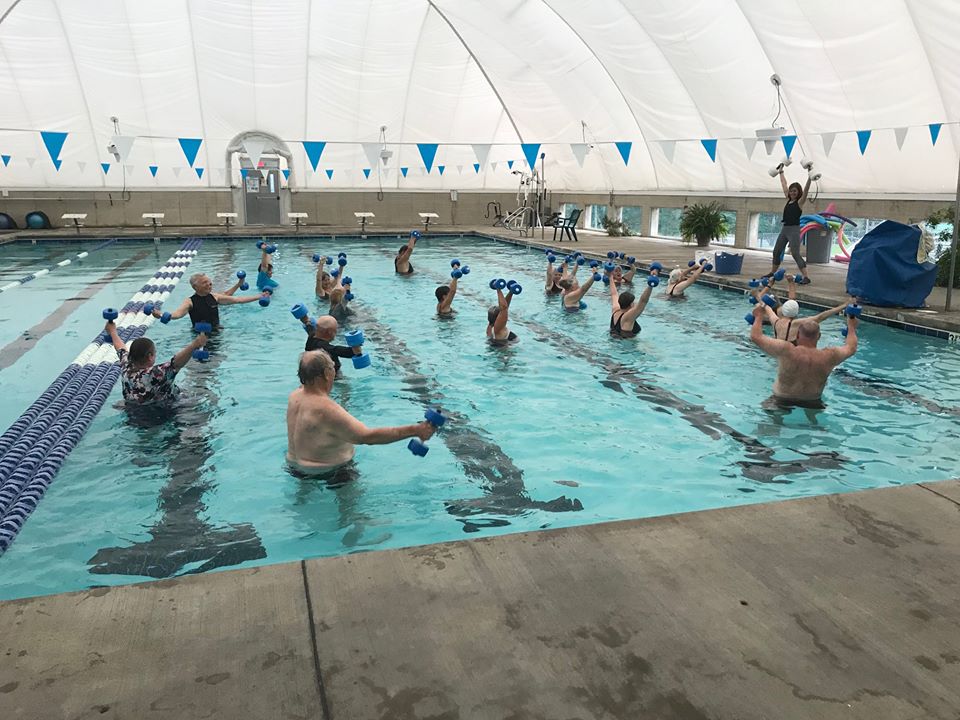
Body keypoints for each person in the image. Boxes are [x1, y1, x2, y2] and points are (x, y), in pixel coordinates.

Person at [286, 350, 436, 473]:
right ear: (326, 373)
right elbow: (367, 437)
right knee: (352, 510)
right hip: (332, 472)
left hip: (294, 468)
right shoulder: (326, 410)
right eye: (333, 368)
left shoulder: (294, 397)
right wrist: (415, 430)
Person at [749, 304, 858, 409]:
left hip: (781, 399)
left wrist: (758, 316)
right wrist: (851, 326)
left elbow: (756, 336)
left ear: (797, 335)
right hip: (813, 401)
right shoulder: (830, 355)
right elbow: (851, 348)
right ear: (819, 336)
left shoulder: (786, 350)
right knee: (815, 423)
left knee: (770, 420)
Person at [103, 318, 208, 406]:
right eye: (154, 353)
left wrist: (112, 332)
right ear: (150, 356)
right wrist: (195, 344)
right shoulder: (156, 373)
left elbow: (121, 349)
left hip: (134, 413)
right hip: (163, 412)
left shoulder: (126, 367)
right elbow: (176, 363)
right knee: (201, 398)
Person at [155, 273, 268, 330]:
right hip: (200, 335)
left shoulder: (214, 297)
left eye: (209, 282)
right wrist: (161, 315)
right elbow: (177, 314)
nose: (209, 284)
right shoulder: (190, 302)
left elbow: (238, 300)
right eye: (205, 283)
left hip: (217, 331)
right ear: (195, 287)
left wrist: (259, 296)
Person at [754, 276, 848, 344]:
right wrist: (844, 305)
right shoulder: (797, 323)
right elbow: (821, 316)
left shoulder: (775, 321)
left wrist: (757, 295)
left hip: (776, 354)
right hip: (792, 358)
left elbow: (765, 305)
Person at [766, 166, 812, 284]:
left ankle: (806, 277)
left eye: (794, 191)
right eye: (791, 191)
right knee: (776, 251)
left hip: (794, 230)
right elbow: (784, 184)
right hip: (785, 229)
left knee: (795, 254)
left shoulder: (800, 202)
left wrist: (810, 177)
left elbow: (806, 190)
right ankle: (772, 272)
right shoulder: (788, 199)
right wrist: (781, 172)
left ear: (798, 192)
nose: (792, 193)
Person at [297, 314, 363, 375]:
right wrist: (354, 349)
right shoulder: (325, 348)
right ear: (330, 332)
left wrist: (306, 320)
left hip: (311, 371)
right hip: (331, 377)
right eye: (336, 330)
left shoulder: (311, 337)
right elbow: (337, 350)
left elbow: (310, 328)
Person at [610, 269, 657, 338]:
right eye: (633, 302)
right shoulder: (628, 317)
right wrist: (650, 286)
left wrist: (610, 277)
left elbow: (614, 294)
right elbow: (643, 301)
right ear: (631, 304)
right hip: (627, 346)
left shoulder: (615, 310)